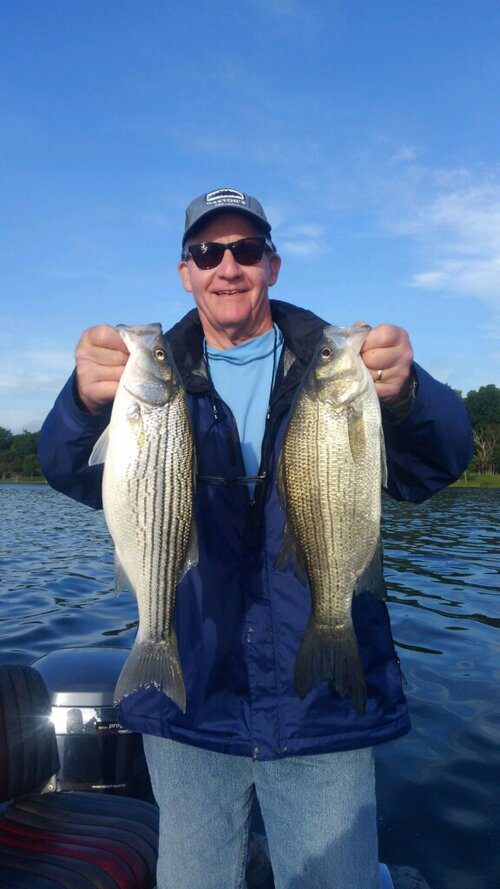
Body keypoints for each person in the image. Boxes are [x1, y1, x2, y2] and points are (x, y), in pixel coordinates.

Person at [38, 187, 473, 889]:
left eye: (245, 250)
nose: (227, 267)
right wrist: (82, 403)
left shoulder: (335, 367)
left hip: (319, 709)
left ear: (273, 263)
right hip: (191, 702)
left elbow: (438, 463)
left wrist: (412, 396)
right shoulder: (154, 378)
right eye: (208, 252)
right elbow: (67, 469)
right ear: (186, 271)